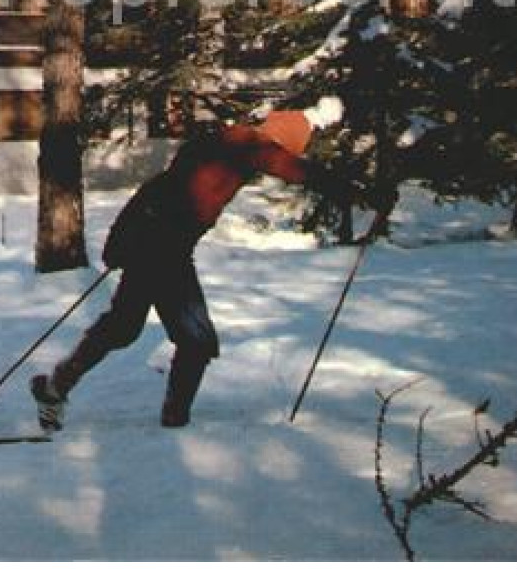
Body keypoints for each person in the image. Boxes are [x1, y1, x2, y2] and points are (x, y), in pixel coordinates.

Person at [30, 97, 355, 431]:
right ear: (281, 143)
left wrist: (121, 238)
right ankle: (174, 424)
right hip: (165, 250)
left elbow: (157, 187)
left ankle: (55, 388)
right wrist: (352, 190)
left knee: (123, 327)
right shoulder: (251, 146)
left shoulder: (216, 142)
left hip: (147, 242)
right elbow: (295, 170)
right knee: (195, 341)